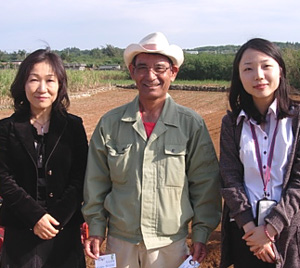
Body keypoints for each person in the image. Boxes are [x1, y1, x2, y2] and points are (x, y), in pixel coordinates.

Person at [82, 32, 222, 268]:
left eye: (159, 68)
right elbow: (96, 181)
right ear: (132, 71)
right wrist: (96, 227)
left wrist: (201, 232)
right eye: (143, 67)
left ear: (173, 73)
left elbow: (205, 183)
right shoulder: (110, 123)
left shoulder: (190, 124)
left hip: (169, 243)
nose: (150, 76)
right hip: (120, 242)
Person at [0, 48, 88, 268]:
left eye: (50, 80)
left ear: (60, 85)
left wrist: (56, 218)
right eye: (33, 80)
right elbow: (3, 177)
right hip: (20, 230)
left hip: (63, 230)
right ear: (23, 84)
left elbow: (81, 175)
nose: (42, 89)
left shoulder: (73, 127)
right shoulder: (6, 128)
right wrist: (35, 218)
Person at [220, 38, 300, 268]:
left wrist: (271, 228)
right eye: (248, 68)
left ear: (280, 71)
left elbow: (298, 181)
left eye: (266, 66)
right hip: (246, 234)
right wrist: (252, 230)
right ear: (239, 76)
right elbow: (229, 177)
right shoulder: (232, 123)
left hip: (287, 232)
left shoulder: (297, 121)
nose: (258, 75)